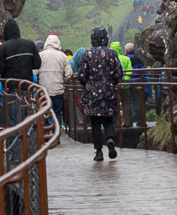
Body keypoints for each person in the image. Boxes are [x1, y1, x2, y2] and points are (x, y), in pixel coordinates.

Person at [78, 27, 124, 161]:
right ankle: (110, 139)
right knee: (109, 119)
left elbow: (82, 75)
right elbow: (119, 73)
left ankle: (98, 151)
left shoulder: (88, 54)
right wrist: (114, 82)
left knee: (95, 122)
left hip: (92, 92)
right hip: (109, 90)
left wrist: (86, 82)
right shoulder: (112, 52)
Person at [0, 19, 40, 126]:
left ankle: (15, 142)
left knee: (12, 121)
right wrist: (26, 65)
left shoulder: (3, 48)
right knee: (27, 119)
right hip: (26, 88)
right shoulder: (30, 44)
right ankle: (26, 141)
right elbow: (37, 64)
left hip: (10, 89)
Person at [37, 33, 73, 128]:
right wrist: (62, 80)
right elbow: (69, 73)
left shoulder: (40, 55)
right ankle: (56, 134)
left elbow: (34, 72)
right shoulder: (62, 56)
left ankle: (45, 134)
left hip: (43, 90)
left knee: (44, 112)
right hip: (58, 89)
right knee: (57, 112)